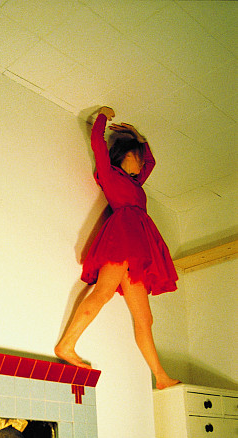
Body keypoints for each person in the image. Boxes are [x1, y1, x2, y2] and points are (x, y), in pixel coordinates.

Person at [55, 106, 179, 390]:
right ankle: (67, 344)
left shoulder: (135, 183)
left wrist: (139, 138)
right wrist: (101, 116)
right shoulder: (110, 176)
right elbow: (98, 143)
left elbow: (151, 163)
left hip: (137, 244)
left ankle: (160, 377)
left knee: (145, 317)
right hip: (123, 237)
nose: (140, 164)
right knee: (103, 291)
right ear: (125, 156)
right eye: (136, 157)